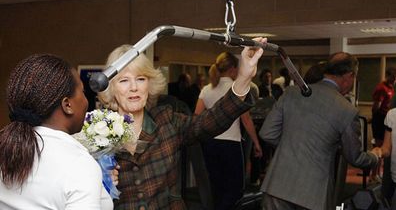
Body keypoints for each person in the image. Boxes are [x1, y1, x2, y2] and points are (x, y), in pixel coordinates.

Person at [97, 38, 266, 210]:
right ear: (111, 87)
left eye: (140, 79)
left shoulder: (166, 120)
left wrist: (243, 78)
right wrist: (98, 180)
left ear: (149, 83)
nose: (134, 87)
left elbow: (209, 122)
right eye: (124, 80)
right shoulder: (97, 133)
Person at [259, 52, 380, 210]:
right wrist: (375, 156)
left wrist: (292, 145)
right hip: (313, 194)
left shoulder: (291, 93)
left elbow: (266, 133)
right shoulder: (347, 110)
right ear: (350, 75)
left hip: (277, 187)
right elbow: (354, 157)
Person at [0, 54, 113, 209]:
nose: (86, 101)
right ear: (67, 105)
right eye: (83, 92)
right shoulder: (78, 165)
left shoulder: (6, 151)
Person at [194, 52, 263, 210]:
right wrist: (257, 143)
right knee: (235, 187)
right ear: (233, 69)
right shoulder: (236, 90)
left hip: (210, 143)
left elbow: (197, 116)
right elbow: (246, 120)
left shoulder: (206, 89)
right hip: (231, 144)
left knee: (216, 185)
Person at [371, 67, 396, 182]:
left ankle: (379, 173)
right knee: (380, 146)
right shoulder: (382, 88)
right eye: (392, 76)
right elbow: (376, 107)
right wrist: (374, 120)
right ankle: (373, 174)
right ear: (387, 75)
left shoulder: (393, 88)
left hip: (388, 119)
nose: (394, 79)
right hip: (380, 119)